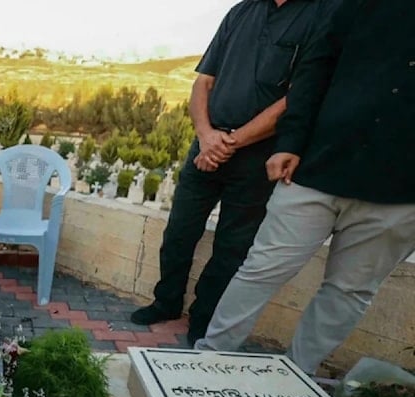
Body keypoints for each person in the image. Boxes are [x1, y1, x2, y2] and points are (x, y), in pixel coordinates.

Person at [196, 0, 415, 375]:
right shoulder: (352, 5)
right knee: (262, 267)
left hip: (401, 191)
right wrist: (289, 142)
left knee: (350, 291)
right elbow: (314, 71)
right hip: (316, 166)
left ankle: (298, 376)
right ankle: (208, 359)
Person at [128, 0, 330, 346]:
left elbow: (296, 99)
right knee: (179, 231)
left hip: (257, 156)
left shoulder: (320, 15)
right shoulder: (241, 11)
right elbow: (203, 82)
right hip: (207, 144)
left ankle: (203, 319)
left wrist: (229, 144)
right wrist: (207, 136)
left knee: (231, 247)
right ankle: (167, 302)